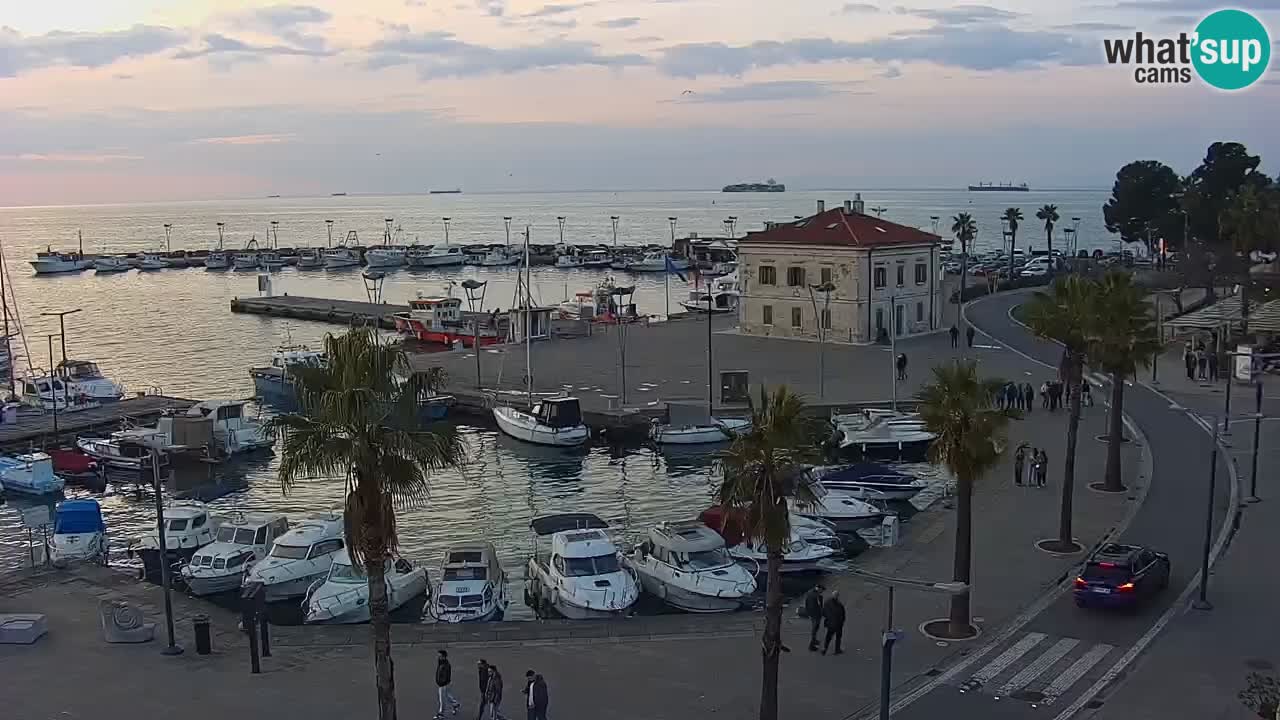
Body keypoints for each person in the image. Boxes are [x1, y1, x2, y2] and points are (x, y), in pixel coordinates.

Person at [435, 650, 461, 719]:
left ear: (443, 657)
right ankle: (455, 704)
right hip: (445, 684)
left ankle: (441, 713)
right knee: (448, 695)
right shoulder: (441, 662)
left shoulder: (446, 665)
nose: (438, 657)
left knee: (442, 699)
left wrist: (441, 683)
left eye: (440, 656)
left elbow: (446, 676)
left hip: (443, 684)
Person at [821, 589, 846, 655]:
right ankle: (837, 650)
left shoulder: (827, 603)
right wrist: (842, 621)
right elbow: (842, 614)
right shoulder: (839, 604)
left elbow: (823, 613)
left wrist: (828, 618)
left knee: (828, 637)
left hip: (830, 624)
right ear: (837, 596)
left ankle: (824, 648)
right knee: (838, 637)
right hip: (838, 624)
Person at [803, 584, 825, 651]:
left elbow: (806, 603)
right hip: (816, 614)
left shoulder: (809, 593)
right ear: (819, 588)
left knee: (815, 628)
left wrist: (808, 613)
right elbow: (819, 607)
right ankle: (811, 645)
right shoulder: (817, 596)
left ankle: (814, 640)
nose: (822, 591)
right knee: (815, 628)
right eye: (822, 590)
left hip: (812, 614)